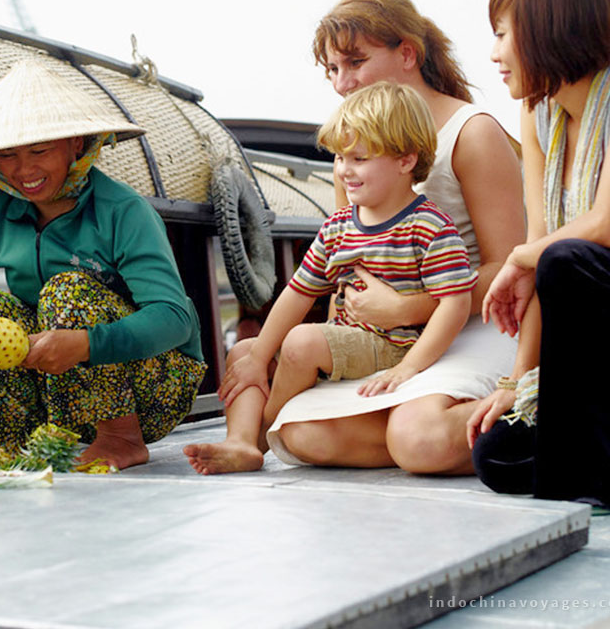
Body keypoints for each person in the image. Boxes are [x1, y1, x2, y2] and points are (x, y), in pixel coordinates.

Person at [190, 0, 524, 475]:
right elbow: (341, 265)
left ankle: (524, 415)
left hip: (469, 322)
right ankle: (407, 430)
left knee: (418, 438)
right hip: (381, 334)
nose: (343, 83)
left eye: (355, 62)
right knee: (299, 434)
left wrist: (409, 307)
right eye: (331, 70)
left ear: (407, 53)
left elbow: (506, 269)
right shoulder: (353, 152)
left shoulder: (472, 133)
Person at [0, 60, 206, 471]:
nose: (23, 170)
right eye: (7, 156)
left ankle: (119, 436)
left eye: (39, 150)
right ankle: (10, 443)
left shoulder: (123, 211)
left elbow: (174, 319)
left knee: (67, 290)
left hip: (152, 392)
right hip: (60, 396)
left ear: (76, 144)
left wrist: (87, 344)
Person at [185, 82, 477, 474]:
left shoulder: (428, 226)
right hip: (345, 343)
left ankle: (260, 435)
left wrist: (410, 367)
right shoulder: (339, 226)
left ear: (406, 159)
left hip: (394, 346)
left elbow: (454, 303)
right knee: (245, 352)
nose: (344, 170)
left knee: (303, 341)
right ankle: (239, 441)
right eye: (340, 157)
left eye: (358, 157)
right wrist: (258, 356)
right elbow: (297, 293)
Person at [469, 0, 610, 513]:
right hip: (600, 349)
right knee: (496, 455)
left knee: (570, 259)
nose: (494, 54)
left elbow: (605, 226)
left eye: (502, 34)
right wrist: (515, 386)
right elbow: (541, 257)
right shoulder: (539, 117)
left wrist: (521, 258)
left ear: (548, 27)